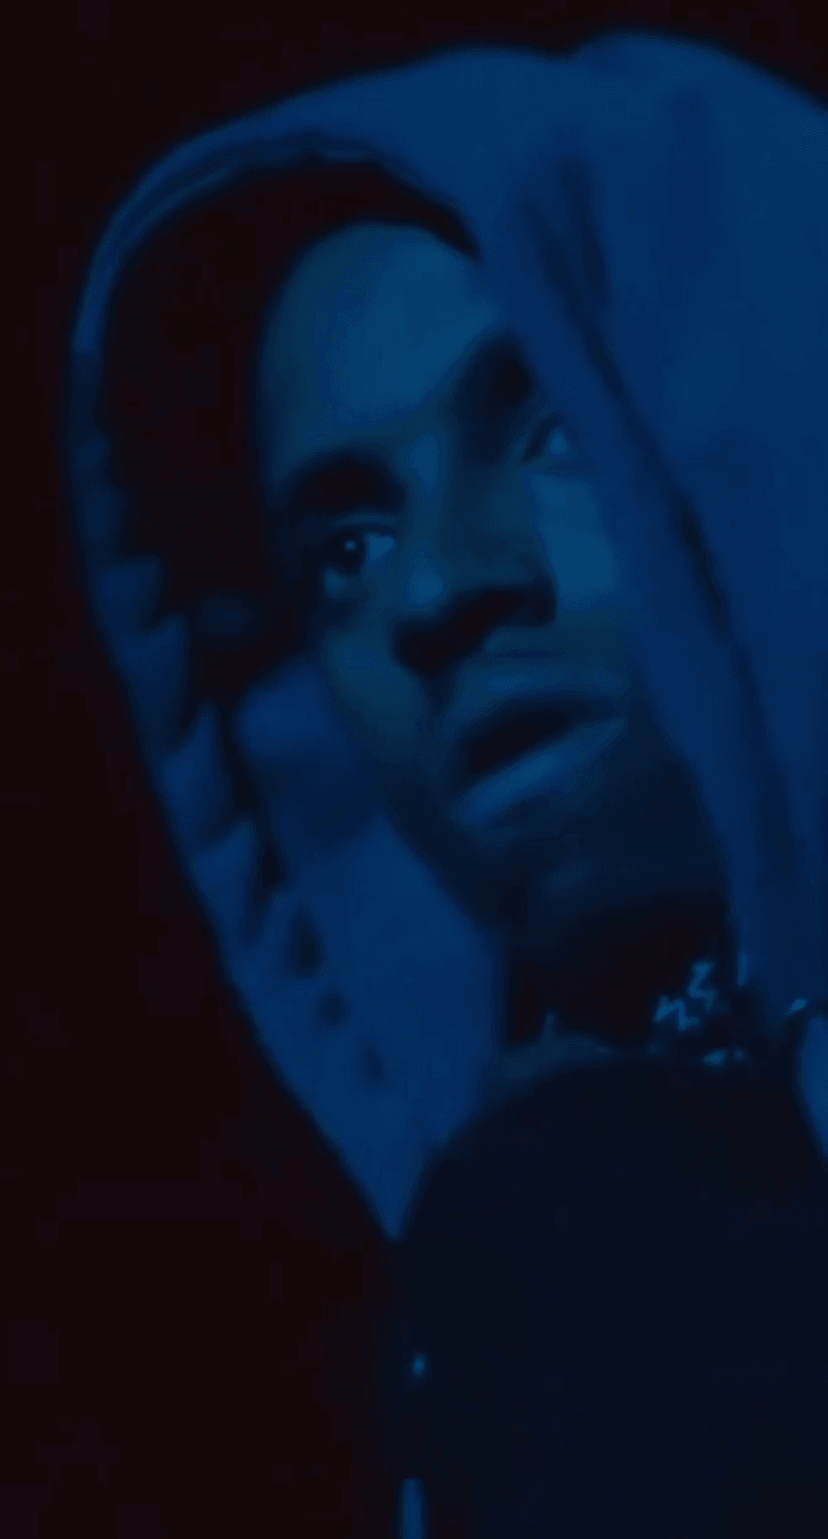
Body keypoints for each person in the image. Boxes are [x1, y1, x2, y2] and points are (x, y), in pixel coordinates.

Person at [65, 28, 827, 1537]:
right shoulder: (502, 1278)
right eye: (344, 547)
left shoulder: (580, 1220)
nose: (430, 591)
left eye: (552, 432)